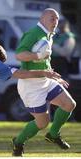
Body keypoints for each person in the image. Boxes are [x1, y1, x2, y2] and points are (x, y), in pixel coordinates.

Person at [12, 8, 76, 157]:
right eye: (52, 18)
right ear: (42, 19)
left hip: (45, 79)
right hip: (30, 85)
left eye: (57, 19)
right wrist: (36, 55)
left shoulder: (49, 34)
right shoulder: (34, 33)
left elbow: (44, 59)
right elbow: (19, 55)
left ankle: (53, 135)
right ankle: (18, 142)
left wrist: (53, 75)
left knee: (69, 104)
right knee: (42, 123)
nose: (55, 22)